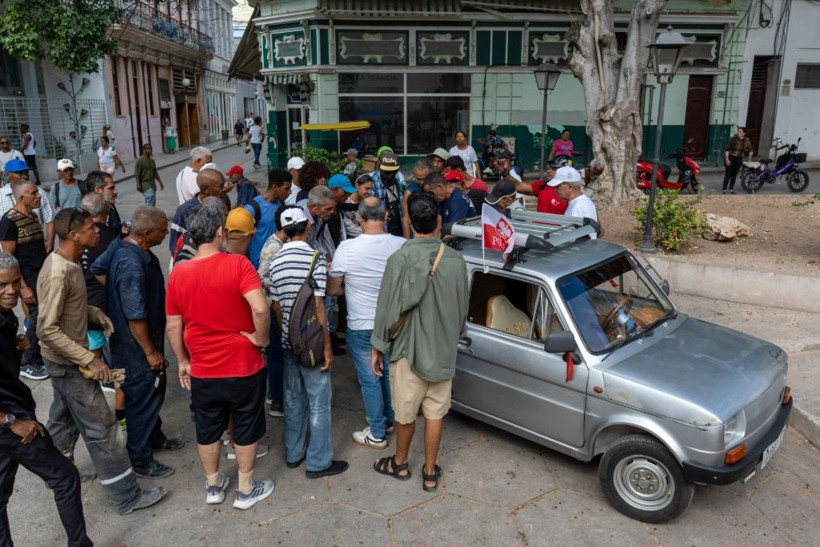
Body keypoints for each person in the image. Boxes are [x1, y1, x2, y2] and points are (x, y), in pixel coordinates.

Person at [38, 208, 167, 514]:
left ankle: (52, 470)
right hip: (68, 362)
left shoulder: (68, 264)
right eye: (91, 229)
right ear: (74, 235)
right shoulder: (58, 271)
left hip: (65, 359)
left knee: (62, 418)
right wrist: (90, 360)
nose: (98, 233)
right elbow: (46, 327)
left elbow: (70, 308)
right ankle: (126, 497)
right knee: (103, 430)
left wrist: (94, 314)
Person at [166, 204, 274, 510]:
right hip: (242, 362)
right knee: (245, 424)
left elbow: (173, 324)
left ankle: (213, 486)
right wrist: (260, 339)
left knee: (208, 427)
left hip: (202, 366)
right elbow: (261, 308)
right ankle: (244, 489)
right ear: (219, 233)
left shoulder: (179, 273)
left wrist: (182, 360)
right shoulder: (238, 265)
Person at [370, 192, 468, 492]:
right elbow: (462, 310)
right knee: (435, 413)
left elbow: (386, 309)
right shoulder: (456, 260)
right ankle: (429, 471)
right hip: (441, 351)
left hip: (407, 351)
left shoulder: (399, 258)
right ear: (439, 221)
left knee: (405, 413)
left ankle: (399, 464)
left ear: (410, 223)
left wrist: (377, 346)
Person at [0, 252, 94, 547]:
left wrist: (14, 351)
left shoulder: (4, 317)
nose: (12, 291)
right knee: (65, 478)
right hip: (14, 424)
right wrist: (11, 422)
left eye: (16, 283)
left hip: (13, 415)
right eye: (3, 284)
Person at [92, 206, 182, 478]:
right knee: (141, 398)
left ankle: (155, 438)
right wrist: (151, 352)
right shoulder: (131, 264)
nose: (166, 232)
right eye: (162, 229)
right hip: (136, 347)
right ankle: (141, 459)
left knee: (152, 394)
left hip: (133, 341)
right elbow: (135, 316)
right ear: (145, 233)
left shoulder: (124, 246)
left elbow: (99, 268)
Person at [268, 207, 348, 479]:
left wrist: (287, 337)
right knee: (318, 401)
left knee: (292, 398)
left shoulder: (275, 261)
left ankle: (294, 452)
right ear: (306, 228)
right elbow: (319, 308)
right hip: (313, 342)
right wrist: (326, 346)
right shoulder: (315, 259)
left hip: (289, 341)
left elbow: (277, 307)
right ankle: (318, 461)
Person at [328, 198, 404, 448]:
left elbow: (334, 288)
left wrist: (352, 285)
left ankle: (377, 431)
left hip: (361, 324)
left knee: (370, 378)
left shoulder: (347, 249)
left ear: (359, 218)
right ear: (386, 216)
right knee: (389, 375)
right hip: (394, 323)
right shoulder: (401, 245)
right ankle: (390, 420)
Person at [79, 193, 126, 428]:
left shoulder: (77, 240)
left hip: (86, 312)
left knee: (93, 365)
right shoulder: (110, 236)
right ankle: (121, 414)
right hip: (104, 311)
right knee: (118, 366)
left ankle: (97, 413)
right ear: (107, 211)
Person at [0, 180, 48, 380]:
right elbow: (10, 258)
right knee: (36, 318)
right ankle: (28, 361)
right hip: (26, 279)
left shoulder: (34, 216)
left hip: (40, 276)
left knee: (44, 317)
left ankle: (37, 354)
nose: (39, 196)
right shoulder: (9, 221)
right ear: (22, 198)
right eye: (34, 193)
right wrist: (23, 287)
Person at [257, 206, 292, 418]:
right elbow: (262, 277)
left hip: (277, 304)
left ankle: (276, 393)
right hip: (272, 306)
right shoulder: (273, 247)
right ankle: (277, 399)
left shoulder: (283, 243)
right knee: (277, 354)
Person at [1, 159, 55, 253]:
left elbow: (49, 218)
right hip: (7, 251)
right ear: (8, 175)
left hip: (36, 250)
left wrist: (50, 242)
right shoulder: (1, 196)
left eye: (26, 173)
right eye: (20, 173)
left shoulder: (39, 193)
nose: (25, 176)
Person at [169, 168, 225, 258]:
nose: (224, 189)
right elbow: (174, 244)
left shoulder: (223, 201)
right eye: (220, 186)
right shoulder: (185, 210)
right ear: (205, 189)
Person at [244, 168, 292, 268]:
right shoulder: (252, 208)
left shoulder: (281, 204)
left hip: (277, 264)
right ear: (274, 186)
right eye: (286, 188)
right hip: (258, 266)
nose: (290, 192)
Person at [550, 166, 598, 239]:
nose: (555, 190)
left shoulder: (578, 207)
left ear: (570, 187)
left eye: (557, 186)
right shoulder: (582, 201)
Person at [369, 152, 405, 237]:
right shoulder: (371, 181)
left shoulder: (396, 178)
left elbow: (395, 204)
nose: (391, 175)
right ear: (379, 167)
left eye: (394, 171)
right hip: (381, 231)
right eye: (387, 172)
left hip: (396, 227)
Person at [401, 160, 431, 238]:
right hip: (414, 234)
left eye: (424, 179)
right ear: (414, 174)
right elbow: (406, 219)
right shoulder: (409, 192)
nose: (421, 182)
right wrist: (407, 242)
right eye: (418, 179)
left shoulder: (434, 187)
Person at [341, 173, 373, 238]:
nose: (369, 192)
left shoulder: (367, 204)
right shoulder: (345, 204)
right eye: (367, 188)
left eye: (370, 189)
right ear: (357, 186)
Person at [723, 126, 753, 194]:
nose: (738, 133)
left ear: (744, 133)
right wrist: (727, 159)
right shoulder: (733, 139)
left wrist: (749, 159)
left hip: (739, 158)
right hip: (731, 157)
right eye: (738, 131)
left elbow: (751, 150)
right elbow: (727, 149)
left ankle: (731, 189)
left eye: (740, 131)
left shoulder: (746, 140)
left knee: (734, 174)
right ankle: (724, 189)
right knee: (728, 173)